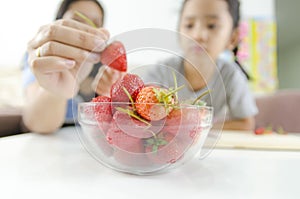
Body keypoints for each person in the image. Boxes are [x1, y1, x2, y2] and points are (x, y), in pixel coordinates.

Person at [97, 0, 258, 131]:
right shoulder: (162, 71)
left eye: (212, 25)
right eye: (189, 25)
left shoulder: (231, 75)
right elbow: (138, 110)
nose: (198, 35)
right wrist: (111, 92)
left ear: (233, 37)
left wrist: (195, 127)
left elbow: (246, 123)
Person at [22, 0, 116, 133]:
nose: (88, 29)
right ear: (59, 21)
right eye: (77, 20)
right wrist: (58, 87)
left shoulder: (106, 63)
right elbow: (37, 124)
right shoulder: (42, 55)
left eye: (96, 23)